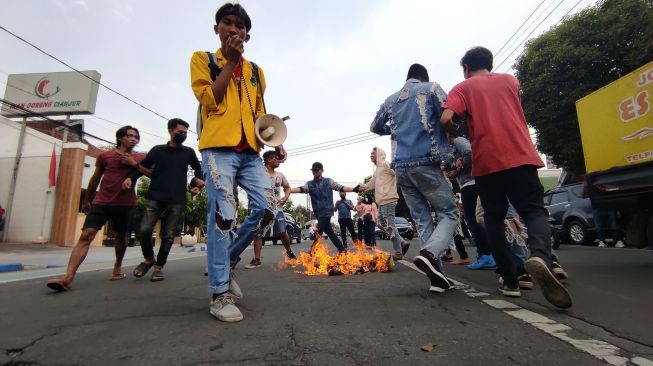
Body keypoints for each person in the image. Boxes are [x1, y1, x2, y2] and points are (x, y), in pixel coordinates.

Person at [440, 46, 572, 308]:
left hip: (488, 163)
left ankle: (510, 280)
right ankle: (540, 258)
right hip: (521, 156)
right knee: (534, 212)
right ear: (490, 63)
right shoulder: (511, 81)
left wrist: (460, 128)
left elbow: (445, 117)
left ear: (466, 68)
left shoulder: (463, 88)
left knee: (494, 218)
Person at [191, 2, 285, 322]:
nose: (235, 29)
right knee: (223, 213)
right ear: (216, 29)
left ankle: (226, 262)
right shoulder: (203, 60)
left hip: (250, 153)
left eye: (241, 26)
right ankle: (219, 294)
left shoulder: (257, 72)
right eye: (228, 23)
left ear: (248, 34)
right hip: (218, 150)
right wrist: (230, 64)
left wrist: (274, 144)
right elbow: (210, 99)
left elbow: (261, 115)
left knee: (269, 207)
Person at [370, 63, 457, 293]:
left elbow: (374, 126)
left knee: (423, 220)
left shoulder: (390, 100)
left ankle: (437, 277)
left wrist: (396, 130)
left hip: (402, 168)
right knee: (448, 212)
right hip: (426, 162)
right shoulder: (432, 89)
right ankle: (429, 253)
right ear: (423, 77)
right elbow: (449, 117)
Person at [46, 126, 146, 292]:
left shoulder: (140, 157)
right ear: (120, 138)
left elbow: (151, 173)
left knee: (121, 237)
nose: (133, 139)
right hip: (102, 201)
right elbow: (95, 178)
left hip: (125, 204)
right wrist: (87, 200)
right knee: (86, 235)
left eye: (136, 136)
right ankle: (68, 278)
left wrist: (133, 164)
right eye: (129, 136)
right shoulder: (105, 156)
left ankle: (117, 266)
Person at [127, 118, 204, 282]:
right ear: (170, 131)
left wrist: (198, 184)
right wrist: (130, 179)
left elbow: (199, 170)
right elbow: (144, 166)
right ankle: (149, 259)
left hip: (177, 200)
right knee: (144, 229)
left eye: (185, 133)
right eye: (180, 132)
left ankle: (158, 267)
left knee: (168, 235)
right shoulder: (158, 150)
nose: (182, 135)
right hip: (155, 197)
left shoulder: (188, 153)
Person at [445, 132, 495, 269]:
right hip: (468, 184)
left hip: (471, 184)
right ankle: (486, 254)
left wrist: (457, 170)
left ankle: (485, 255)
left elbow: (470, 153)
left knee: (473, 220)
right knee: (475, 220)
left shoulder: (458, 140)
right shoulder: (452, 147)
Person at [290, 162, 359, 253]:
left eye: (316, 170)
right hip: (318, 212)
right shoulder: (309, 184)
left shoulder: (328, 181)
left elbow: (340, 187)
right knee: (330, 233)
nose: (314, 172)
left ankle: (312, 253)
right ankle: (342, 250)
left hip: (326, 211)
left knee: (319, 233)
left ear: (322, 170)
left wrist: (353, 189)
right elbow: (301, 189)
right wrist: (289, 190)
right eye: (313, 170)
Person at [244, 150, 297, 269]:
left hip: (277, 208)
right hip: (262, 207)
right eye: (275, 158)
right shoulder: (259, 172)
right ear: (268, 159)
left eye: (279, 158)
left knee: (283, 231)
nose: (278, 160)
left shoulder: (280, 175)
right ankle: (257, 260)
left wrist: (286, 197)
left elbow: (287, 187)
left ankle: (289, 252)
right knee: (258, 232)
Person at [358, 147, 411, 260]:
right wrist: (363, 187)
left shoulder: (386, 164)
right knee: (381, 224)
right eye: (370, 153)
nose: (371, 155)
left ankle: (398, 252)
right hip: (381, 202)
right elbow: (371, 184)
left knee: (390, 225)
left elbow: (397, 172)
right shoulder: (377, 170)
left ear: (380, 154)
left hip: (389, 199)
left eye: (373, 153)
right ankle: (402, 242)